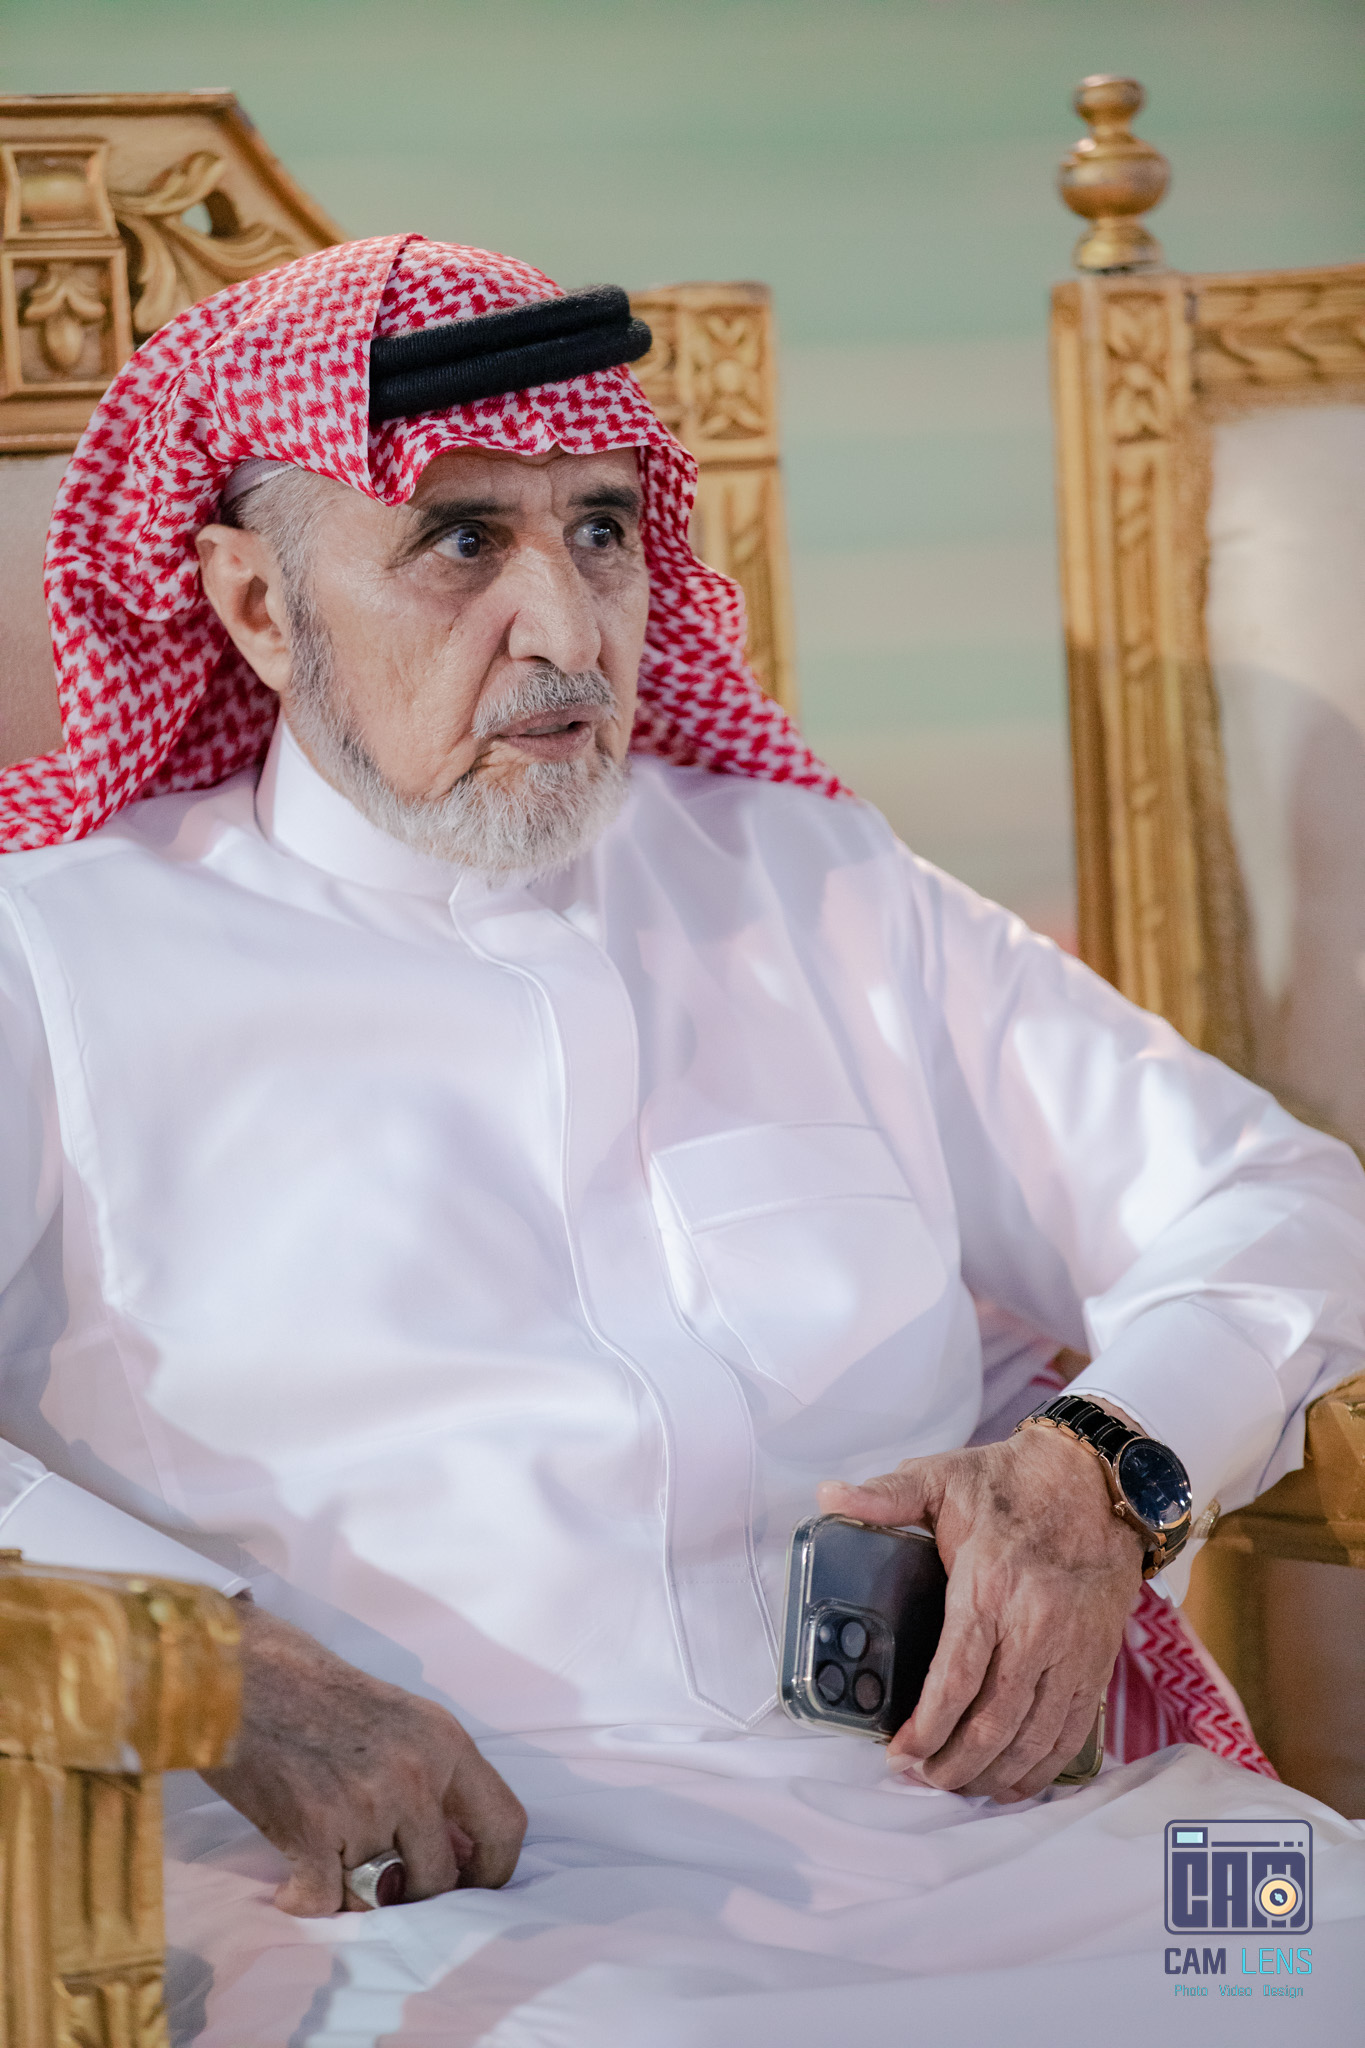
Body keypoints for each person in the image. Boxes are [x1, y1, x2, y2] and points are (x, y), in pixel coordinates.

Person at [1, 236, 1362, 2045]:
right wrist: (208, 1661)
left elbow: (1274, 1199)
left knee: (1310, 1952)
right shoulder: (57, 957)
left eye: (601, 530)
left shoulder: (806, 881)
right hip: (421, 1896)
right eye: (461, 542)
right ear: (256, 606)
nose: (569, 630)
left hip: (1009, 1831)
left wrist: (1101, 1469)